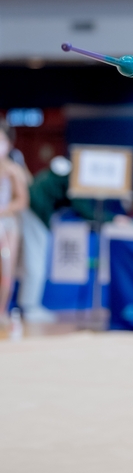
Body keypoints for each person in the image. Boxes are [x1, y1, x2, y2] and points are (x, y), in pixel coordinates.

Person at [0, 120, 28, 326]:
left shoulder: (13, 170)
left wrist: (4, 209)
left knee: (6, 270)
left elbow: (22, 201)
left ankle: (1, 311)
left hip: (7, 225)